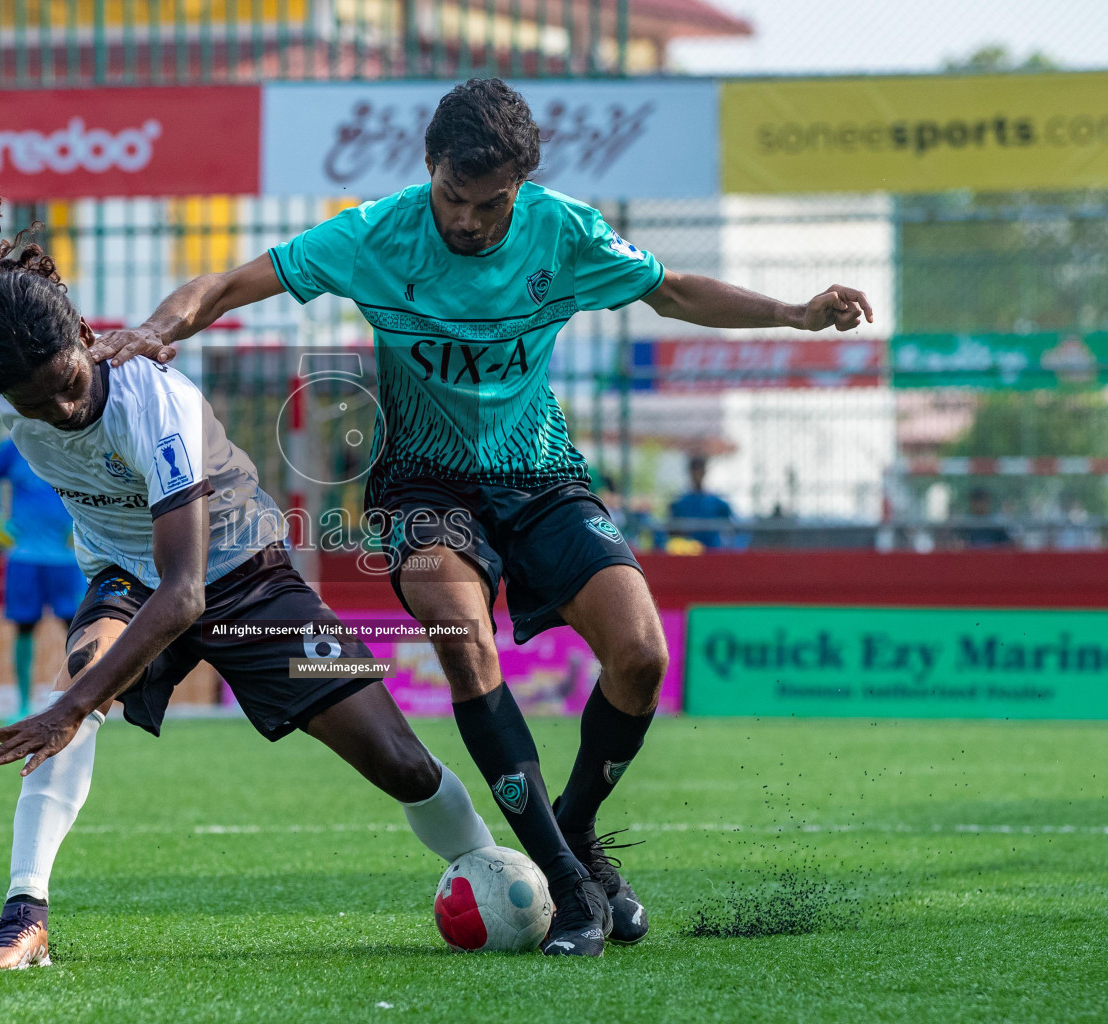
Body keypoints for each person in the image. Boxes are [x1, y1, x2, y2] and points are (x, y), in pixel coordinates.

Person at [90, 78, 874, 957]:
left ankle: (569, 835)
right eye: (454, 198)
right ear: (430, 170)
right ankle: (572, 891)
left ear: (521, 184)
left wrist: (795, 314)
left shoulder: (564, 230)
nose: (468, 220)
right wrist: (159, 326)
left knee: (643, 656)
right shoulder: (374, 232)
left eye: (490, 202)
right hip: (423, 486)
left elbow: (674, 291)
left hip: (540, 474)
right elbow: (235, 281)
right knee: (464, 638)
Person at [0, 194, 497, 970]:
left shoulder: (155, 401)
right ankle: (23, 916)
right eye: (37, 403)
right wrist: (78, 700)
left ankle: (494, 868)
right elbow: (150, 588)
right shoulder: (16, 404)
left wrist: (64, 709)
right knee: (83, 683)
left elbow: (187, 593)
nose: (64, 409)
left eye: (68, 382)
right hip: (122, 579)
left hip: (245, 580)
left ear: (82, 335)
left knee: (401, 762)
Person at [0, 435, 85, 717]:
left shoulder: (72, 442)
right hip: (24, 557)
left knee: (76, 628)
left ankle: (84, 700)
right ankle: (23, 704)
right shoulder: (13, 446)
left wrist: (86, 523)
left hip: (66, 558)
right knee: (24, 627)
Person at [668, 454, 735, 550]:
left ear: (705, 472)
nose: (697, 475)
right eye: (695, 470)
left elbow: (733, 526)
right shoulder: (680, 504)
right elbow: (672, 533)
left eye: (700, 470)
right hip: (688, 554)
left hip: (713, 553)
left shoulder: (717, 503)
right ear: (690, 473)